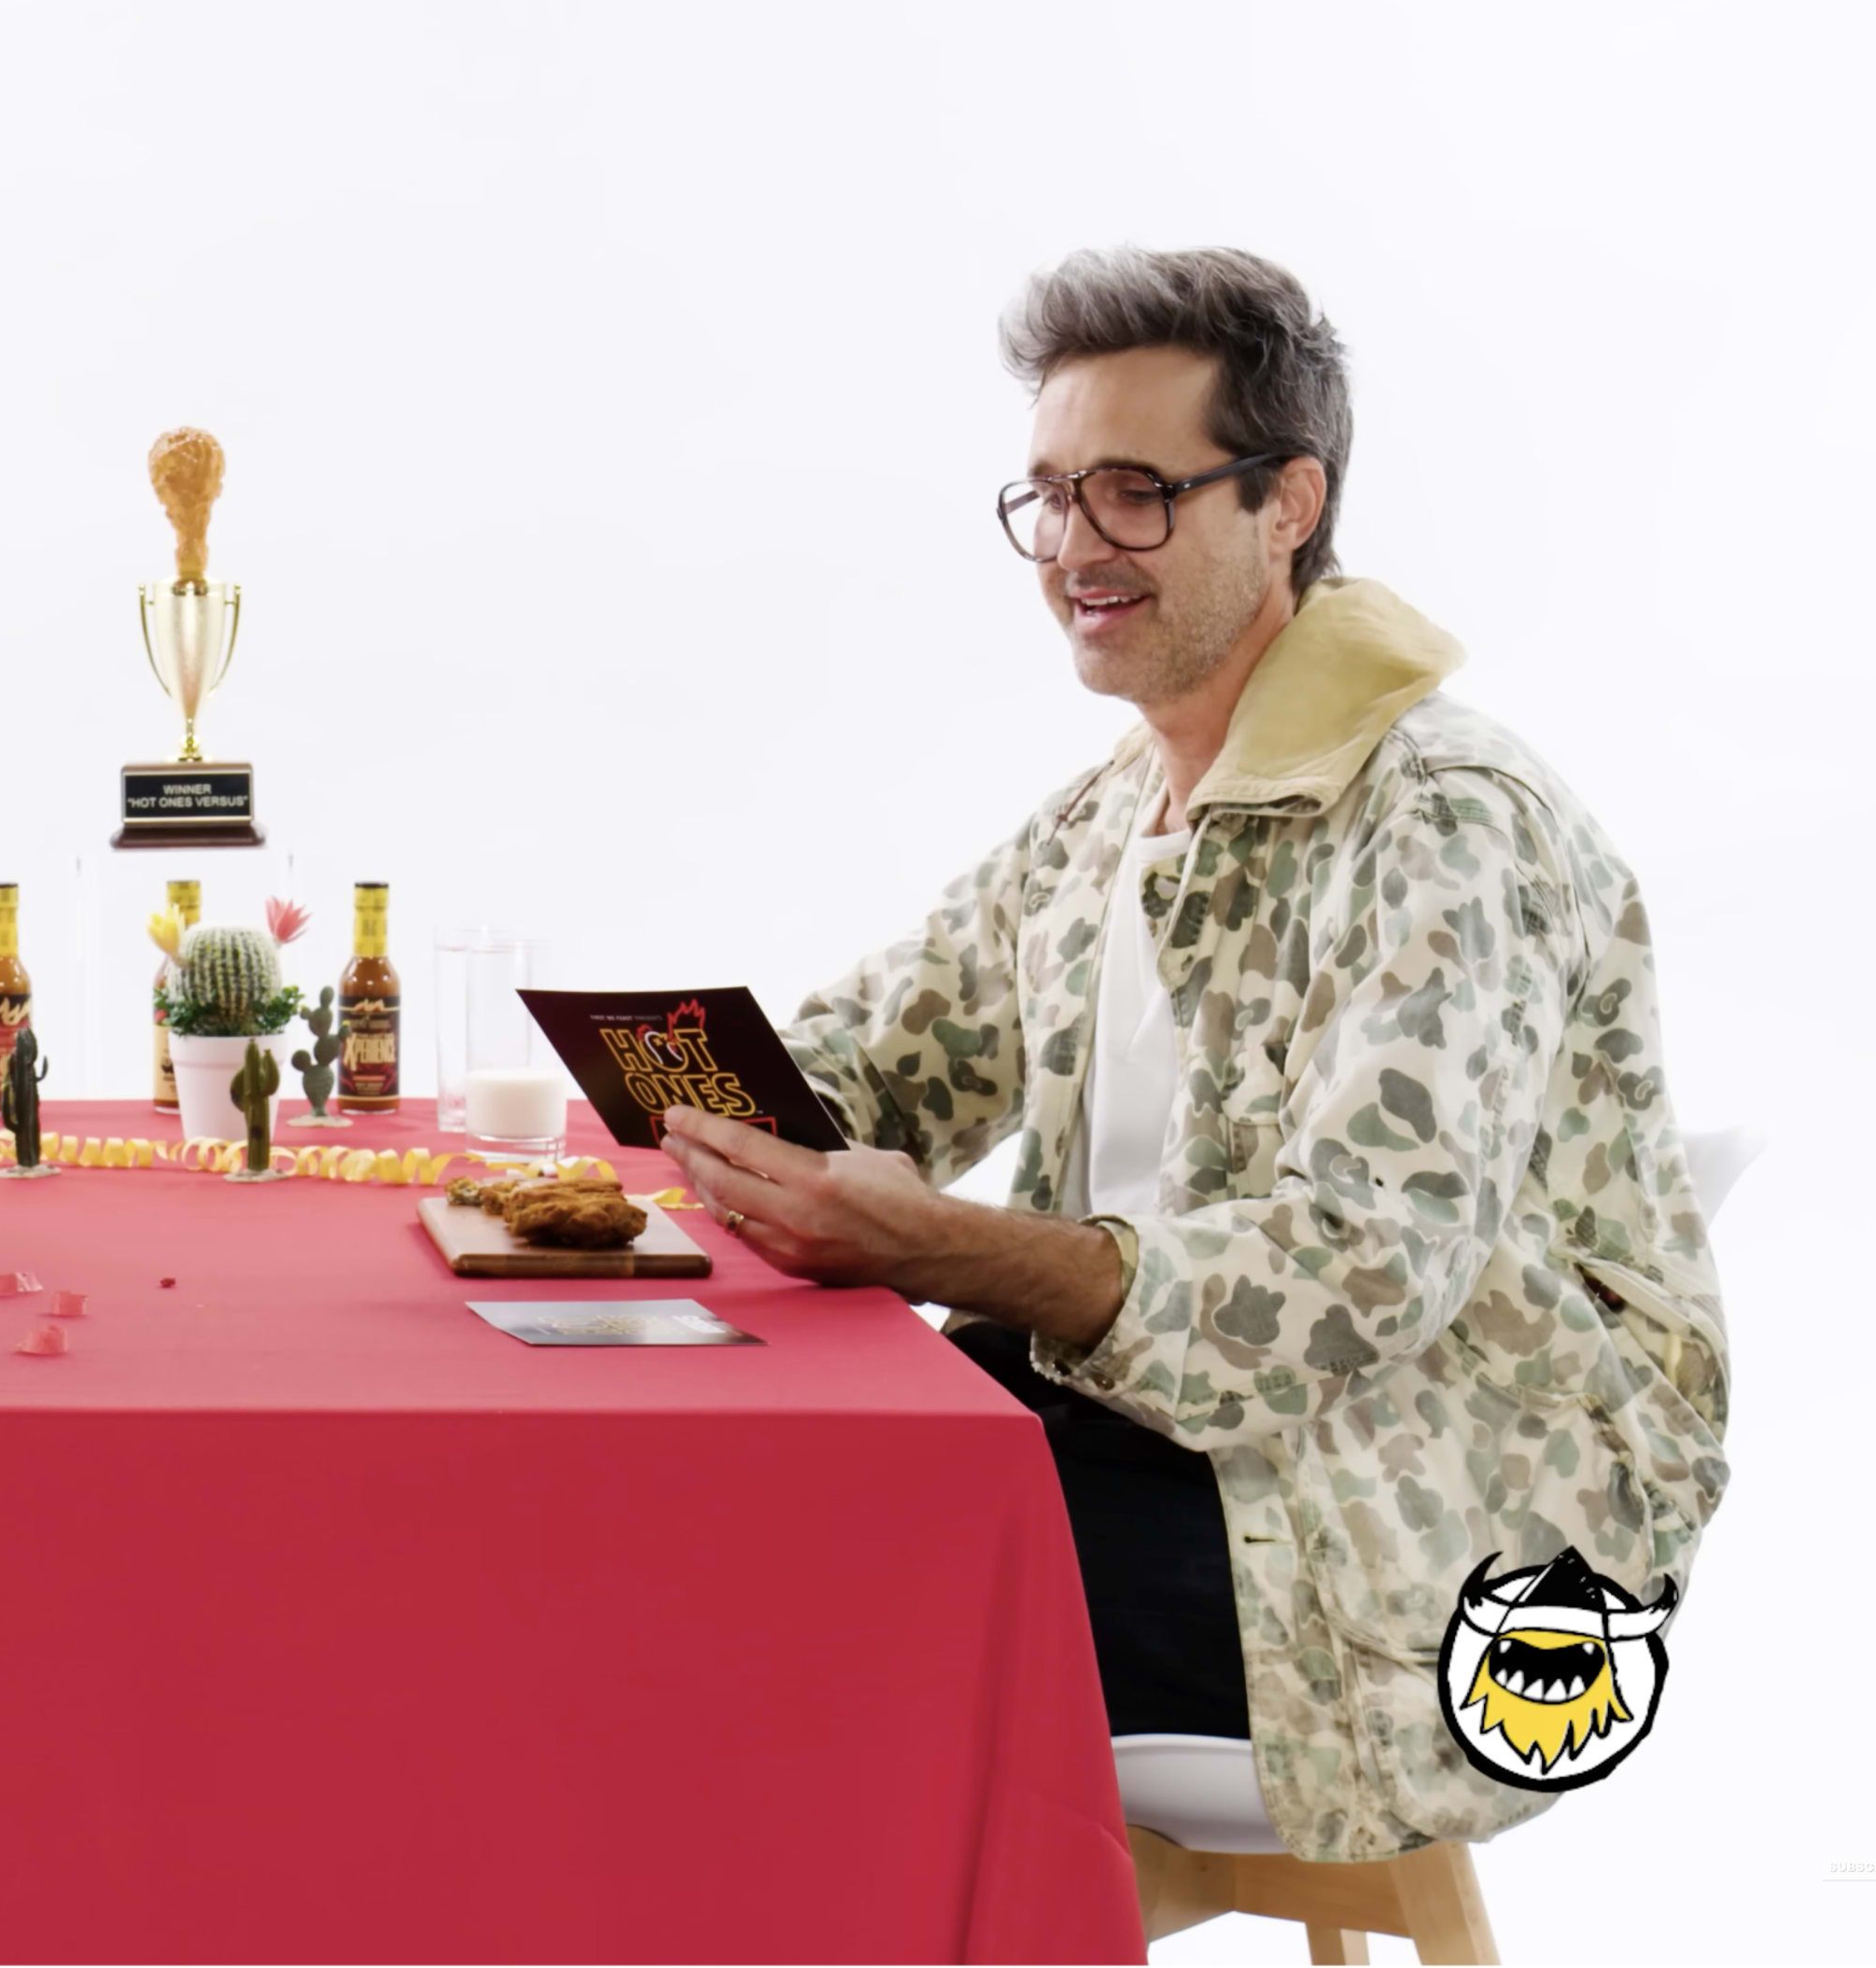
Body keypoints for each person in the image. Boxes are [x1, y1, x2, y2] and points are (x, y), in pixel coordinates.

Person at [660, 246, 1729, 1862]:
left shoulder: (1445, 821)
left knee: (774, 1594)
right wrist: (623, 1114)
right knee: (686, 1500)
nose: (1077, 546)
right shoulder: (1124, 806)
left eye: (1137, 494)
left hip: (1419, 1542)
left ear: (1288, 503)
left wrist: (951, 1245)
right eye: (1049, 495)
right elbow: (874, 1059)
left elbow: (1355, 1267)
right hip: (1160, 1452)